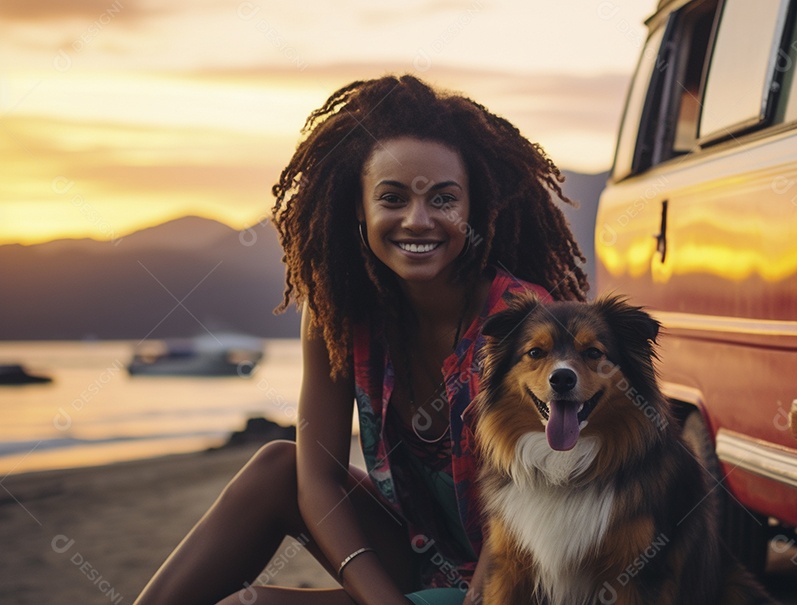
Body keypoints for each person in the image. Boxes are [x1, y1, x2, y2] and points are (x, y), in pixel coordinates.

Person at [134, 74, 589, 605]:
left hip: (518, 578)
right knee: (277, 468)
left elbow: (523, 517)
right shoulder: (340, 313)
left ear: (473, 209)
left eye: (444, 199)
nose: (417, 221)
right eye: (392, 198)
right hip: (425, 554)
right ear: (358, 207)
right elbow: (318, 480)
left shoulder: (523, 324)